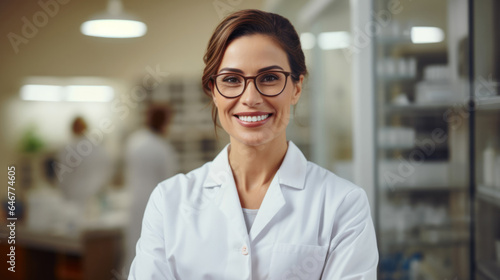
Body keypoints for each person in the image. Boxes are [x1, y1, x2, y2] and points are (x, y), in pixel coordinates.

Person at [129, 9, 378, 279]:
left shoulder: (342, 204)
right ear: (214, 91)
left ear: (297, 87)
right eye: (232, 80)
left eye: (269, 78)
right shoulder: (169, 202)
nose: (250, 98)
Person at [124, 104, 179, 270]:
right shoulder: (162, 148)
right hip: (155, 205)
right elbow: (169, 183)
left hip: (134, 202)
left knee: (133, 251)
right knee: (153, 254)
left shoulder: (134, 140)